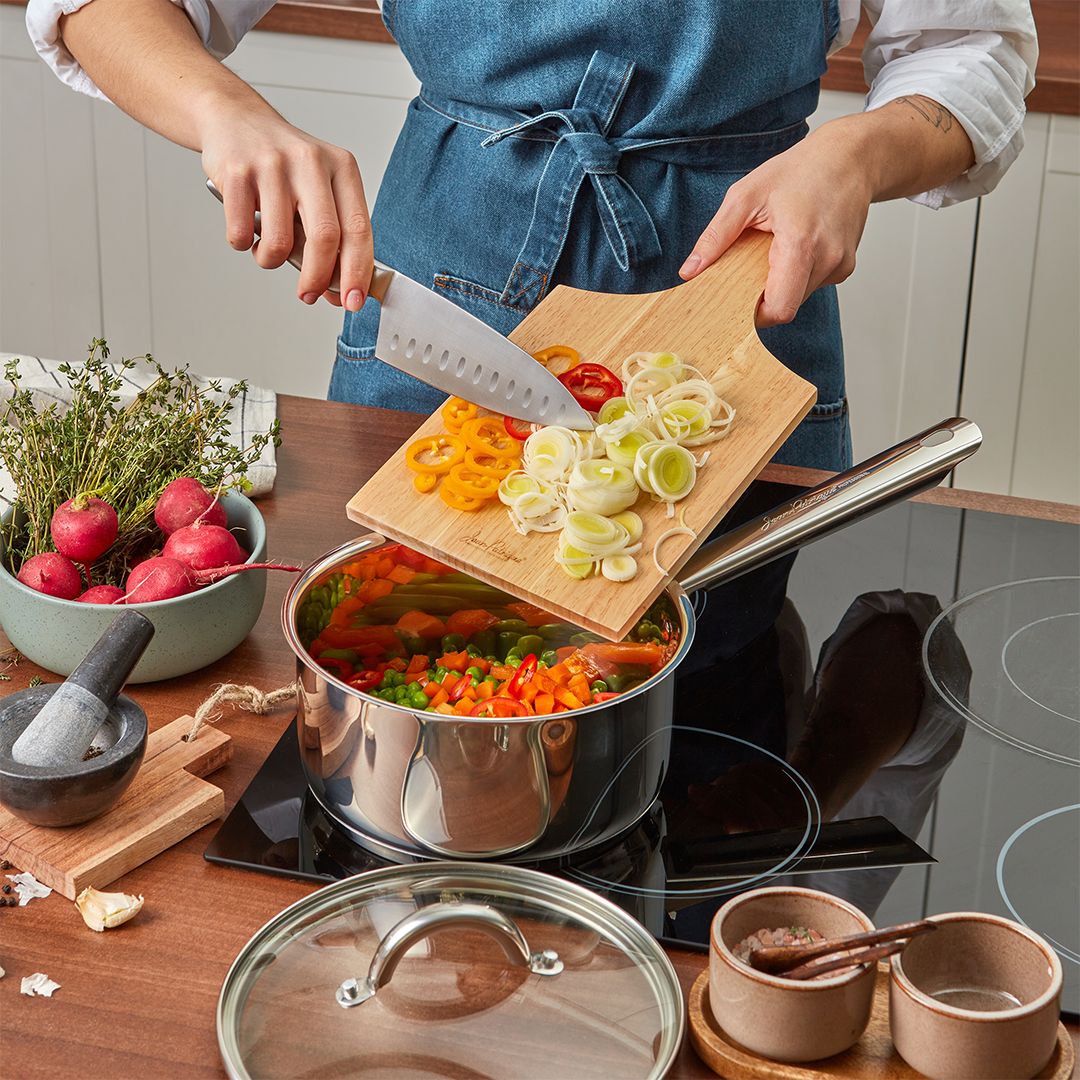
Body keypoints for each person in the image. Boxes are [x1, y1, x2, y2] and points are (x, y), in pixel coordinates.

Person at [27, 0, 1036, 477]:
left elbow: (973, 47)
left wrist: (859, 154)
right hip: (442, 294)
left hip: (741, 304)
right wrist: (226, 113)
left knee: (731, 707)